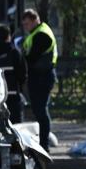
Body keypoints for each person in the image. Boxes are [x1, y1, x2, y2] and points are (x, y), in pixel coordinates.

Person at [20, 8, 57, 150]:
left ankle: (44, 145)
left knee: (41, 110)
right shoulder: (36, 33)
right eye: (24, 24)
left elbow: (32, 56)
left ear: (36, 21)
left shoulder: (42, 34)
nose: (25, 27)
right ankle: (43, 144)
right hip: (40, 75)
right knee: (39, 110)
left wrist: (23, 55)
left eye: (27, 24)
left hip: (43, 76)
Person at [0, 23, 27, 123]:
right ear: (8, 36)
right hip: (13, 96)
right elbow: (22, 75)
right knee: (16, 127)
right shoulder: (14, 53)